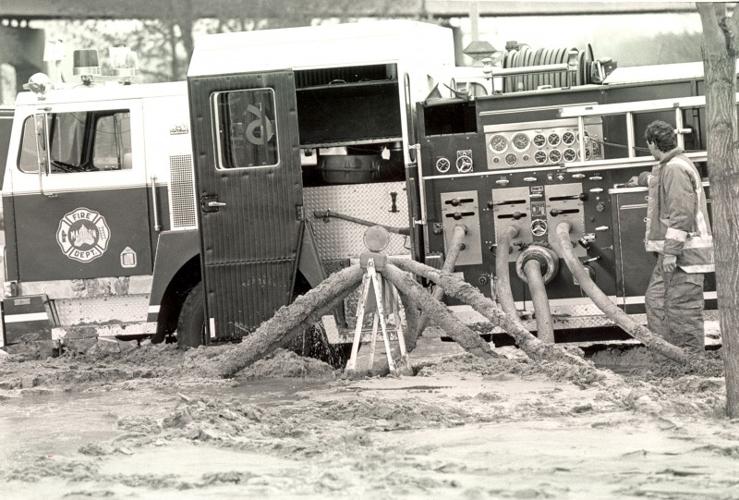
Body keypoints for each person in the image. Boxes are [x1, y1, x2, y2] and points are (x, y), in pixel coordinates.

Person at [627, 120, 714, 352]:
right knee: (656, 301)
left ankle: (691, 364)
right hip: (674, 255)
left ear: (653, 144)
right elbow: (660, 184)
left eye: (649, 146)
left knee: (682, 309)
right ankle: (668, 358)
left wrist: (671, 254)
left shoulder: (674, 168)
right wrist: (643, 178)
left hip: (684, 256)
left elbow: (681, 214)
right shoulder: (672, 166)